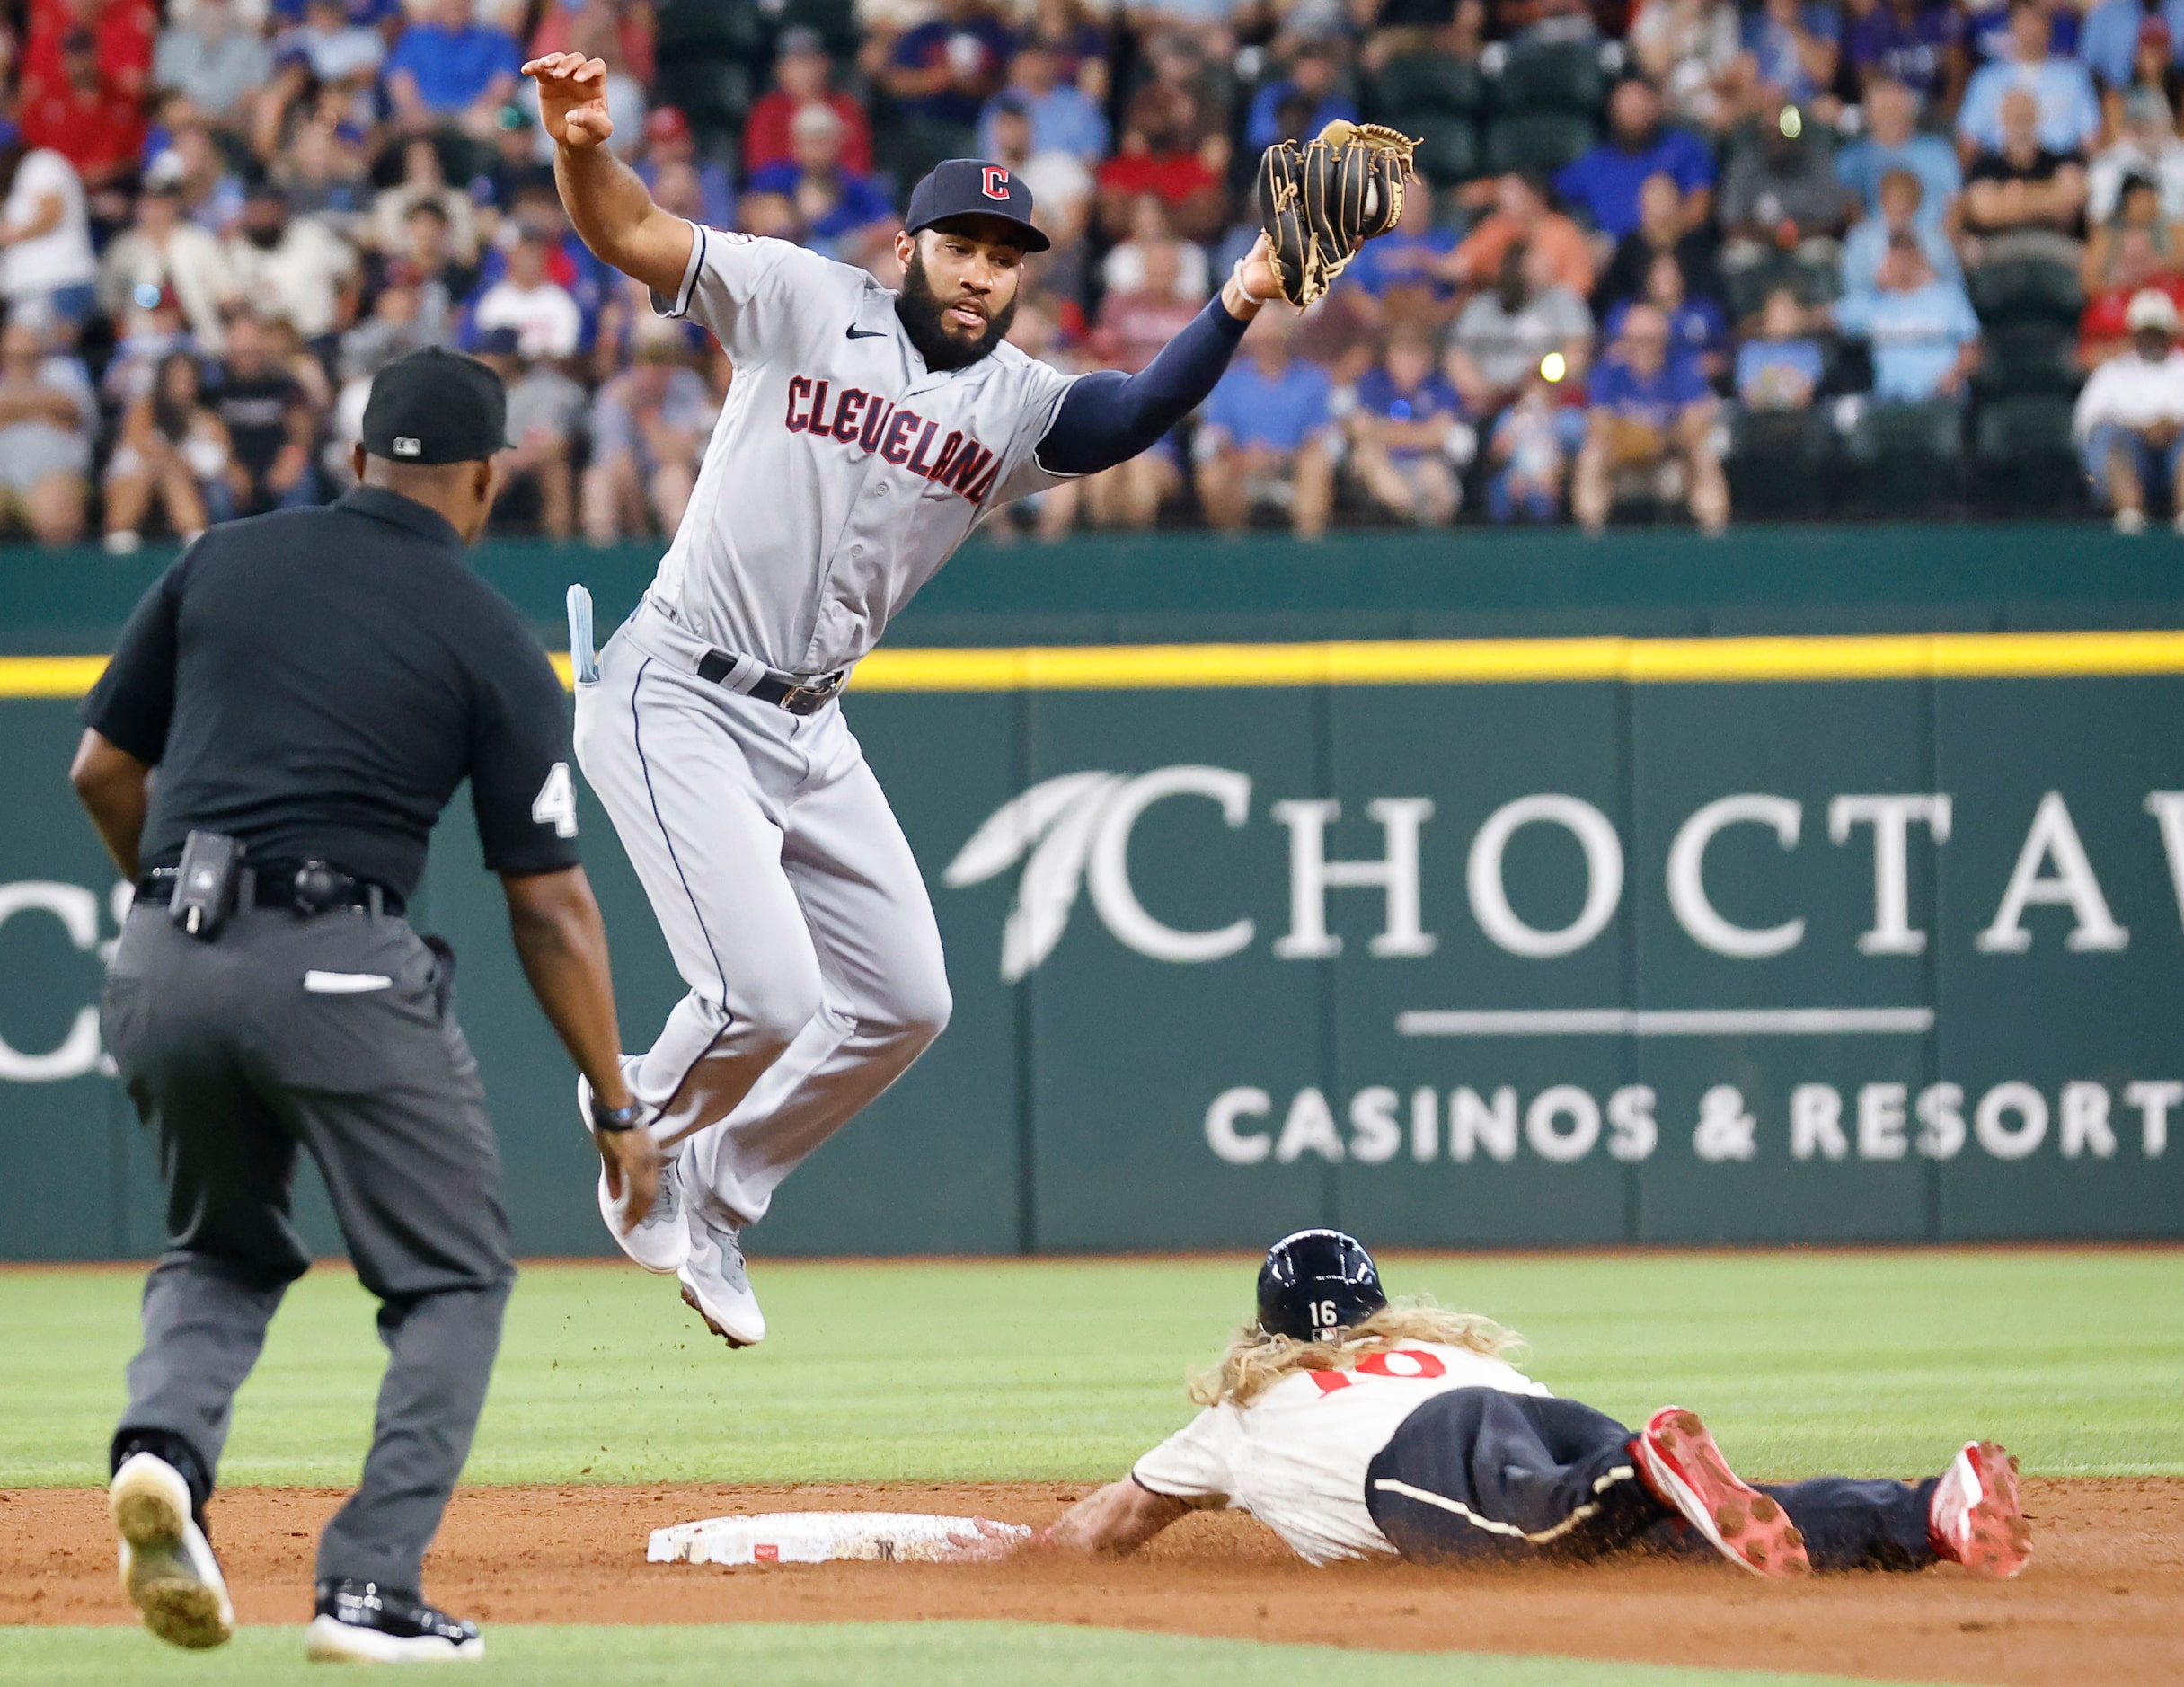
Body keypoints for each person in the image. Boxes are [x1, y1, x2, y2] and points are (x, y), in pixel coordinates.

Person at [521, 49, 1284, 1346]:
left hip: (809, 722)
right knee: (759, 992)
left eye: (1006, 250)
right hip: (676, 688)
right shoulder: (800, 299)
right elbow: (633, 232)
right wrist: (584, 148)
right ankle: (632, 1119)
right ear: (906, 249)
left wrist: (1241, 292)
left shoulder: (1014, 405)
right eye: (961, 243)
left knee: (905, 1000)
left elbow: (1137, 409)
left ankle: (717, 1188)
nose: (984, 268)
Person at [74, 345, 659, 1664]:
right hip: (335, 956)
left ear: (354, 458)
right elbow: (549, 902)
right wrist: (617, 1102)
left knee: (218, 1248)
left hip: (163, 951)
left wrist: (177, 913)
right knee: (451, 1275)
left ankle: (163, 1452)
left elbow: (101, 769)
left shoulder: (219, 558)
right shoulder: (487, 638)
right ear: (489, 480)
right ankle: (370, 1584)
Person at [955, 1231, 2034, 1582]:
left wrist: (1021, 1555)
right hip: (1535, 1414)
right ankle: (1925, 1513)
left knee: (1540, 1529)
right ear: (1376, 1309)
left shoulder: (1240, 1411)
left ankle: (1642, 1468)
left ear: (1266, 1330)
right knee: (1695, 1537)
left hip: (1423, 1460)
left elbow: (1108, 1528)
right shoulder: (1434, 1345)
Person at [1573, 301, 1728, 536]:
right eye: (1636, 339)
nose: (1643, 346)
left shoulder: (1682, 367)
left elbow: (1696, 425)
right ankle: (1590, 541)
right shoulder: (1609, 370)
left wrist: (1659, 440)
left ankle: (1715, 540)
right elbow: (1598, 424)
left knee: (1703, 454)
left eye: (1650, 339)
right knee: (1591, 455)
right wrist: (1634, 440)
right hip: (1623, 460)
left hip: (1669, 458)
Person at [1193, 307, 1338, 538]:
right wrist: (1243, 459)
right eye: (1261, 338)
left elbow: (1321, 435)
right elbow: (1215, 436)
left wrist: (1285, 457)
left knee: (1316, 467)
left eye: (1273, 338)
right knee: (1212, 475)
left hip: (1293, 467)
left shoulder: (1314, 380)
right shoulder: (1228, 380)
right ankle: (1231, 551)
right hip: (1242, 468)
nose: (1266, 344)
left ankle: (1309, 553)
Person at [2073, 285, 2184, 531]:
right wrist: (2142, 430)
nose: (2152, 340)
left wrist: (2170, 428)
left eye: (2158, 333)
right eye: (2147, 333)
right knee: (2109, 437)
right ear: (2134, 334)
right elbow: (2087, 425)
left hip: (2175, 459)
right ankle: (2129, 516)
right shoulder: (2112, 372)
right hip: (2131, 458)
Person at [1554, 78, 1716, 246]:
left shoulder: (1682, 148)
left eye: (1641, 104)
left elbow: (1700, 206)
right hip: (1609, 254)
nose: (1636, 112)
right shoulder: (1593, 162)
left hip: (1666, 249)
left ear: (1655, 105)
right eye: (1628, 107)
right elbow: (1552, 199)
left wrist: (1666, 232)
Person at [580, 336, 711, 541]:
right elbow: (618, 464)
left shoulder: (687, 388)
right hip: (629, 482)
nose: (654, 368)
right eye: (647, 360)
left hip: (665, 474)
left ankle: (681, 568)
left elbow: (679, 456)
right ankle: (603, 567)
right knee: (597, 483)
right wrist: (639, 528)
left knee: (675, 480)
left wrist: (646, 416)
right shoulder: (614, 393)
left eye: (663, 360)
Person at [102, 348, 234, 549]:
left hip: (190, 483)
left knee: (173, 476)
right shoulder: (143, 410)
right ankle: (120, 537)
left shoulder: (209, 420)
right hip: (136, 478)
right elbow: (141, 446)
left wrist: (175, 463)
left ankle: (193, 538)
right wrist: (172, 460)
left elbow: (219, 460)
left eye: (188, 377)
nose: (182, 383)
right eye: (176, 377)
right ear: (163, 380)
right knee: (145, 474)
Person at [1348, 331, 1472, 525]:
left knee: (1435, 476)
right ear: (1389, 356)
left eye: (1415, 354)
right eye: (1403, 353)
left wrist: (1385, 431)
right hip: (1385, 463)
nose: (1409, 362)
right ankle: (1409, 514)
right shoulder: (1373, 384)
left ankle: (1431, 538)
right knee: (1366, 457)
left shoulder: (1440, 387)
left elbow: (1439, 435)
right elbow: (1361, 430)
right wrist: (1418, 432)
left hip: (1425, 462)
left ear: (1428, 357)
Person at [1958, 0, 2101, 158]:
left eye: (2038, 19)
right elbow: (1968, 141)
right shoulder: (1986, 79)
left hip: (2060, 168)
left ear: (2050, 24)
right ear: (2012, 24)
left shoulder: (2073, 76)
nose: (2031, 29)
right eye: (2024, 20)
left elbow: (2091, 139)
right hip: (2002, 169)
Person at [0, 315, 93, 544]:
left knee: (56, 510)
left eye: (29, 341)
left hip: (54, 472)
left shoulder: (64, 372)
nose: (21, 354)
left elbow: (71, 411)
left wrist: (13, 409)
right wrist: (41, 407)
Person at [0, 132, 99, 331]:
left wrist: (11, 233)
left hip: (58, 282)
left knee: (59, 358)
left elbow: (52, 214)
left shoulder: (41, 163)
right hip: (32, 288)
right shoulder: (19, 183)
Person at [743, 28, 874, 180]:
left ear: (825, 64)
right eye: (795, 64)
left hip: (838, 194)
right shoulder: (767, 110)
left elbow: (859, 168)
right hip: (783, 193)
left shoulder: (846, 109)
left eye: (811, 62)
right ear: (780, 70)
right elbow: (762, 168)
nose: (804, 71)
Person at [1835, 77, 1962, 228]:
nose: (1891, 116)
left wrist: (1941, 246)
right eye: (1884, 109)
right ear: (1869, 114)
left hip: (1933, 240)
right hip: (1874, 244)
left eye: (1896, 108)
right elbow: (1850, 209)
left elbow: (1955, 203)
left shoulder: (1939, 151)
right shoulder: (1851, 159)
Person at [384, 0, 522, 137]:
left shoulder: (495, 39)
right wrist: (412, 108)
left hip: (474, 117)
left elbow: (504, 80)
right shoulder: (416, 37)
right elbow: (400, 77)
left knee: (494, 125)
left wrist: (488, 105)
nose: (456, 3)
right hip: (427, 116)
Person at [1842, 167, 1960, 297]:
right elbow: (1852, 289)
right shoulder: (1860, 238)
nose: (1900, 204)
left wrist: (1927, 277)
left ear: (1917, 202)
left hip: (1927, 310)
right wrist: (1880, 283)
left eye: (1907, 197)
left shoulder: (1937, 240)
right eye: (1894, 197)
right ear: (1883, 199)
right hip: (1877, 310)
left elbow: (1953, 286)